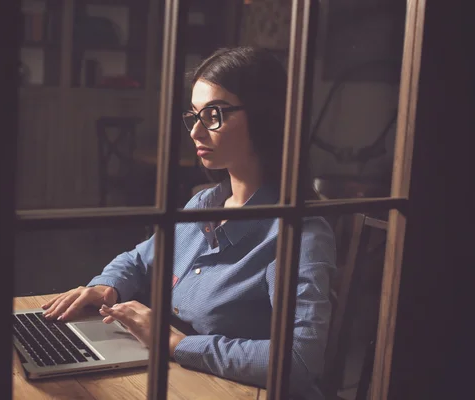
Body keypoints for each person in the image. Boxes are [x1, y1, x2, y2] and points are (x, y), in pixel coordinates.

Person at [41, 46, 336, 399]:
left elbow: (300, 362)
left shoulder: (299, 234)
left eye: (214, 115)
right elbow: (139, 259)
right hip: (182, 383)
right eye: (194, 115)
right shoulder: (204, 203)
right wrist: (107, 287)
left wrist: (174, 341)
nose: (196, 132)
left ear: (265, 116)